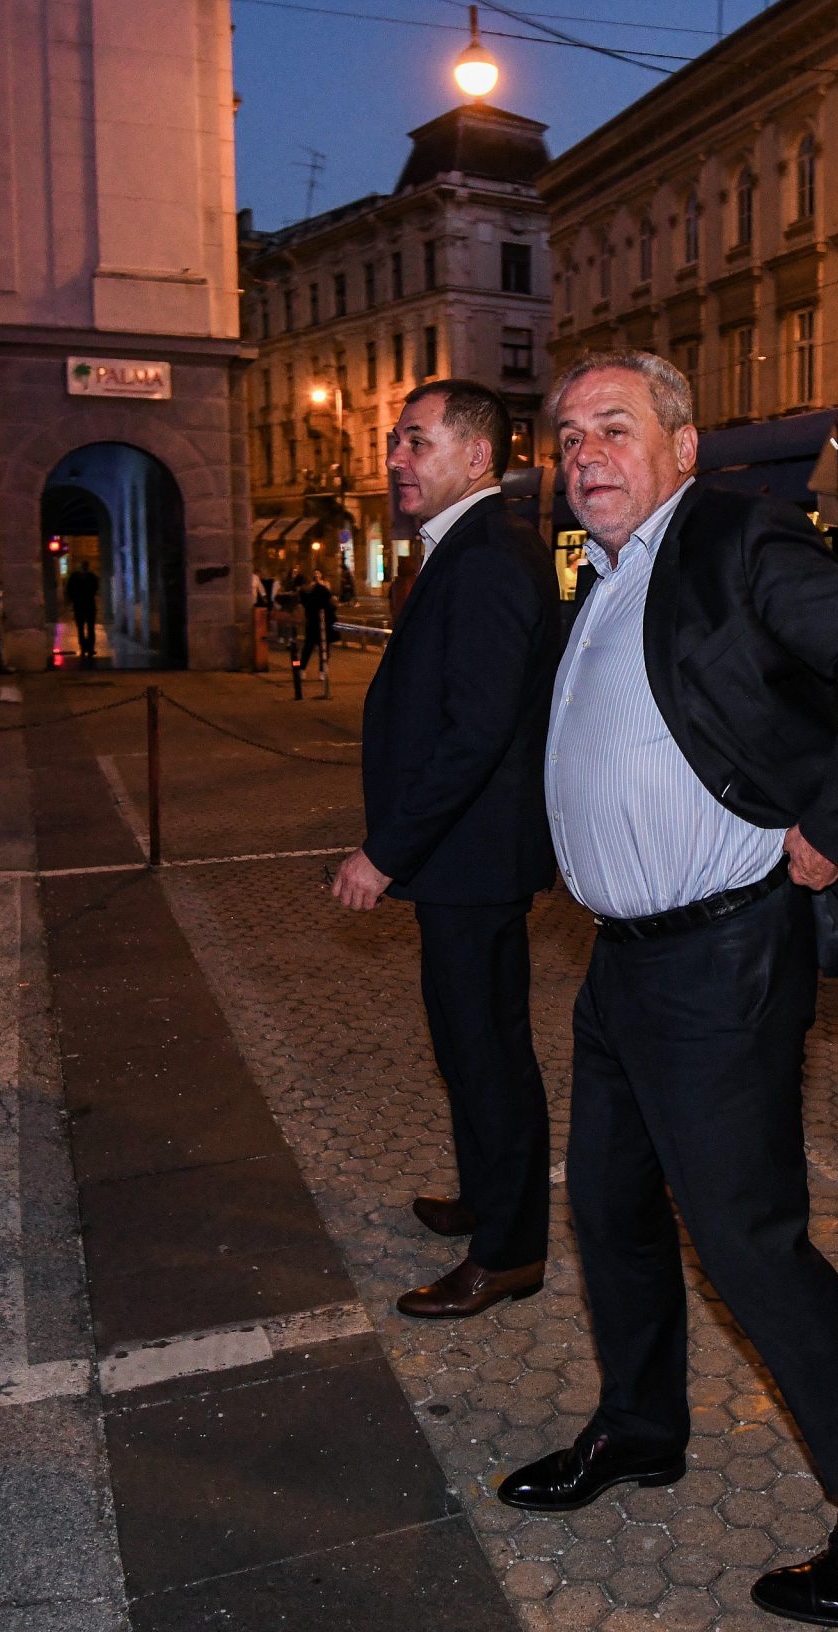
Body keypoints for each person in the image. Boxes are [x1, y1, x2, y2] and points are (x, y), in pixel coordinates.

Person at [498, 349, 838, 1629]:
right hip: (622, 963)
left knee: (750, 1246)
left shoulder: (730, 541)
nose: (586, 453)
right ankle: (640, 1428)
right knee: (609, 1208)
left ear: (683, 447)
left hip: (721, 956)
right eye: (570, 434)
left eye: (615, 428)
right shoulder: (602, 578)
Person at [333, 381, 565, 1320]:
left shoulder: (490, 557)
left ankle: (509, 1251)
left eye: (415, 442)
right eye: (396, 442)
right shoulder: (464, 550)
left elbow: (475, 731)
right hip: (461, 862)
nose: (396, 458)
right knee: (464, 1045)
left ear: (477, 457)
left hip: (473, 860)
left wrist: (383, 854)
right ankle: (483, 1195)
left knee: (489, 1053)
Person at [293, 569, 339, 699]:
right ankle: (302, 669)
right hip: (313, 621)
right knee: (308, 646)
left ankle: (322, 670)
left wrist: (333, 608)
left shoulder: (321, 589)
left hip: (325, 620)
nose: (302, 589)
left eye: (303, 586)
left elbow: (332, 601)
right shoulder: (303, 592)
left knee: (324, 647)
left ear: (308, 583)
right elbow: (302, 606)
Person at [64, 557, 101, 661]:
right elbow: (95, 588)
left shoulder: (75, 577)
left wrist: (74, 599)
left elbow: (69, 589)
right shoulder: (91, 576)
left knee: (82, 628)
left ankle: (85, 648)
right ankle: (88, 648)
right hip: (87, 604)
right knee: (88, 628)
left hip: (80, 605)